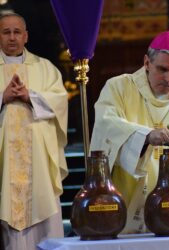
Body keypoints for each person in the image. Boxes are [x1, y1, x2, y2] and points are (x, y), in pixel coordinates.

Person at [90, 30, 169, 233]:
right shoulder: (118, 88)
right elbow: (107, 127)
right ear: (147, 63)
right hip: (125, 204)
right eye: (162, 69)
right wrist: (145, 136)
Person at [0, 13, 68, 249]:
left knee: (46, 226)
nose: (11, 37)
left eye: (17, 32)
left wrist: (30, 96)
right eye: (6, 32)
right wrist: (3, 98)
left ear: (26, 36)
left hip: (39, 164)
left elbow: (60, 102)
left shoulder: (45, 68)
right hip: (4, 166)